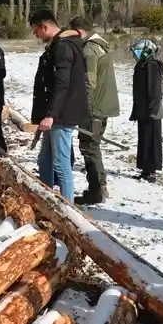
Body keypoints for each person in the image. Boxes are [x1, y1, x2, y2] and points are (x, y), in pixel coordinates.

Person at [29, 9, 91, 203]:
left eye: (35, 31)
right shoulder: (57, 45)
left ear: (44, 26)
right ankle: (47, 200)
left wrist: (50, 114)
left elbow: (62, 84)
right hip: (55, 113)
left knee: (61, 163)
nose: (35, 35)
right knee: (44, 160)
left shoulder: (64, 46)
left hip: (62, 115)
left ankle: (67, 209)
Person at [70, 17, 120, 205]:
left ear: (80, 31)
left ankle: (96, 190)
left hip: (94, 108)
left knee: (89, 147)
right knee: (93, 146)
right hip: (102, 106)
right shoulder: (101, 45)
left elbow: (89, 83)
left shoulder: (89, 50)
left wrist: (83, 108)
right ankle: (100, 187)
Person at [129, 38, 163, 182]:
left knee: (152, 140)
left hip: (152, 111)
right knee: (144, 139)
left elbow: (154, 90)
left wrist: (152, 109)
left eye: (138, 51)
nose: (135, 55)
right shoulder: (141, 65)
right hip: (143, 110)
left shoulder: (151, 66)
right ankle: (145, 169)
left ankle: (151, 171)